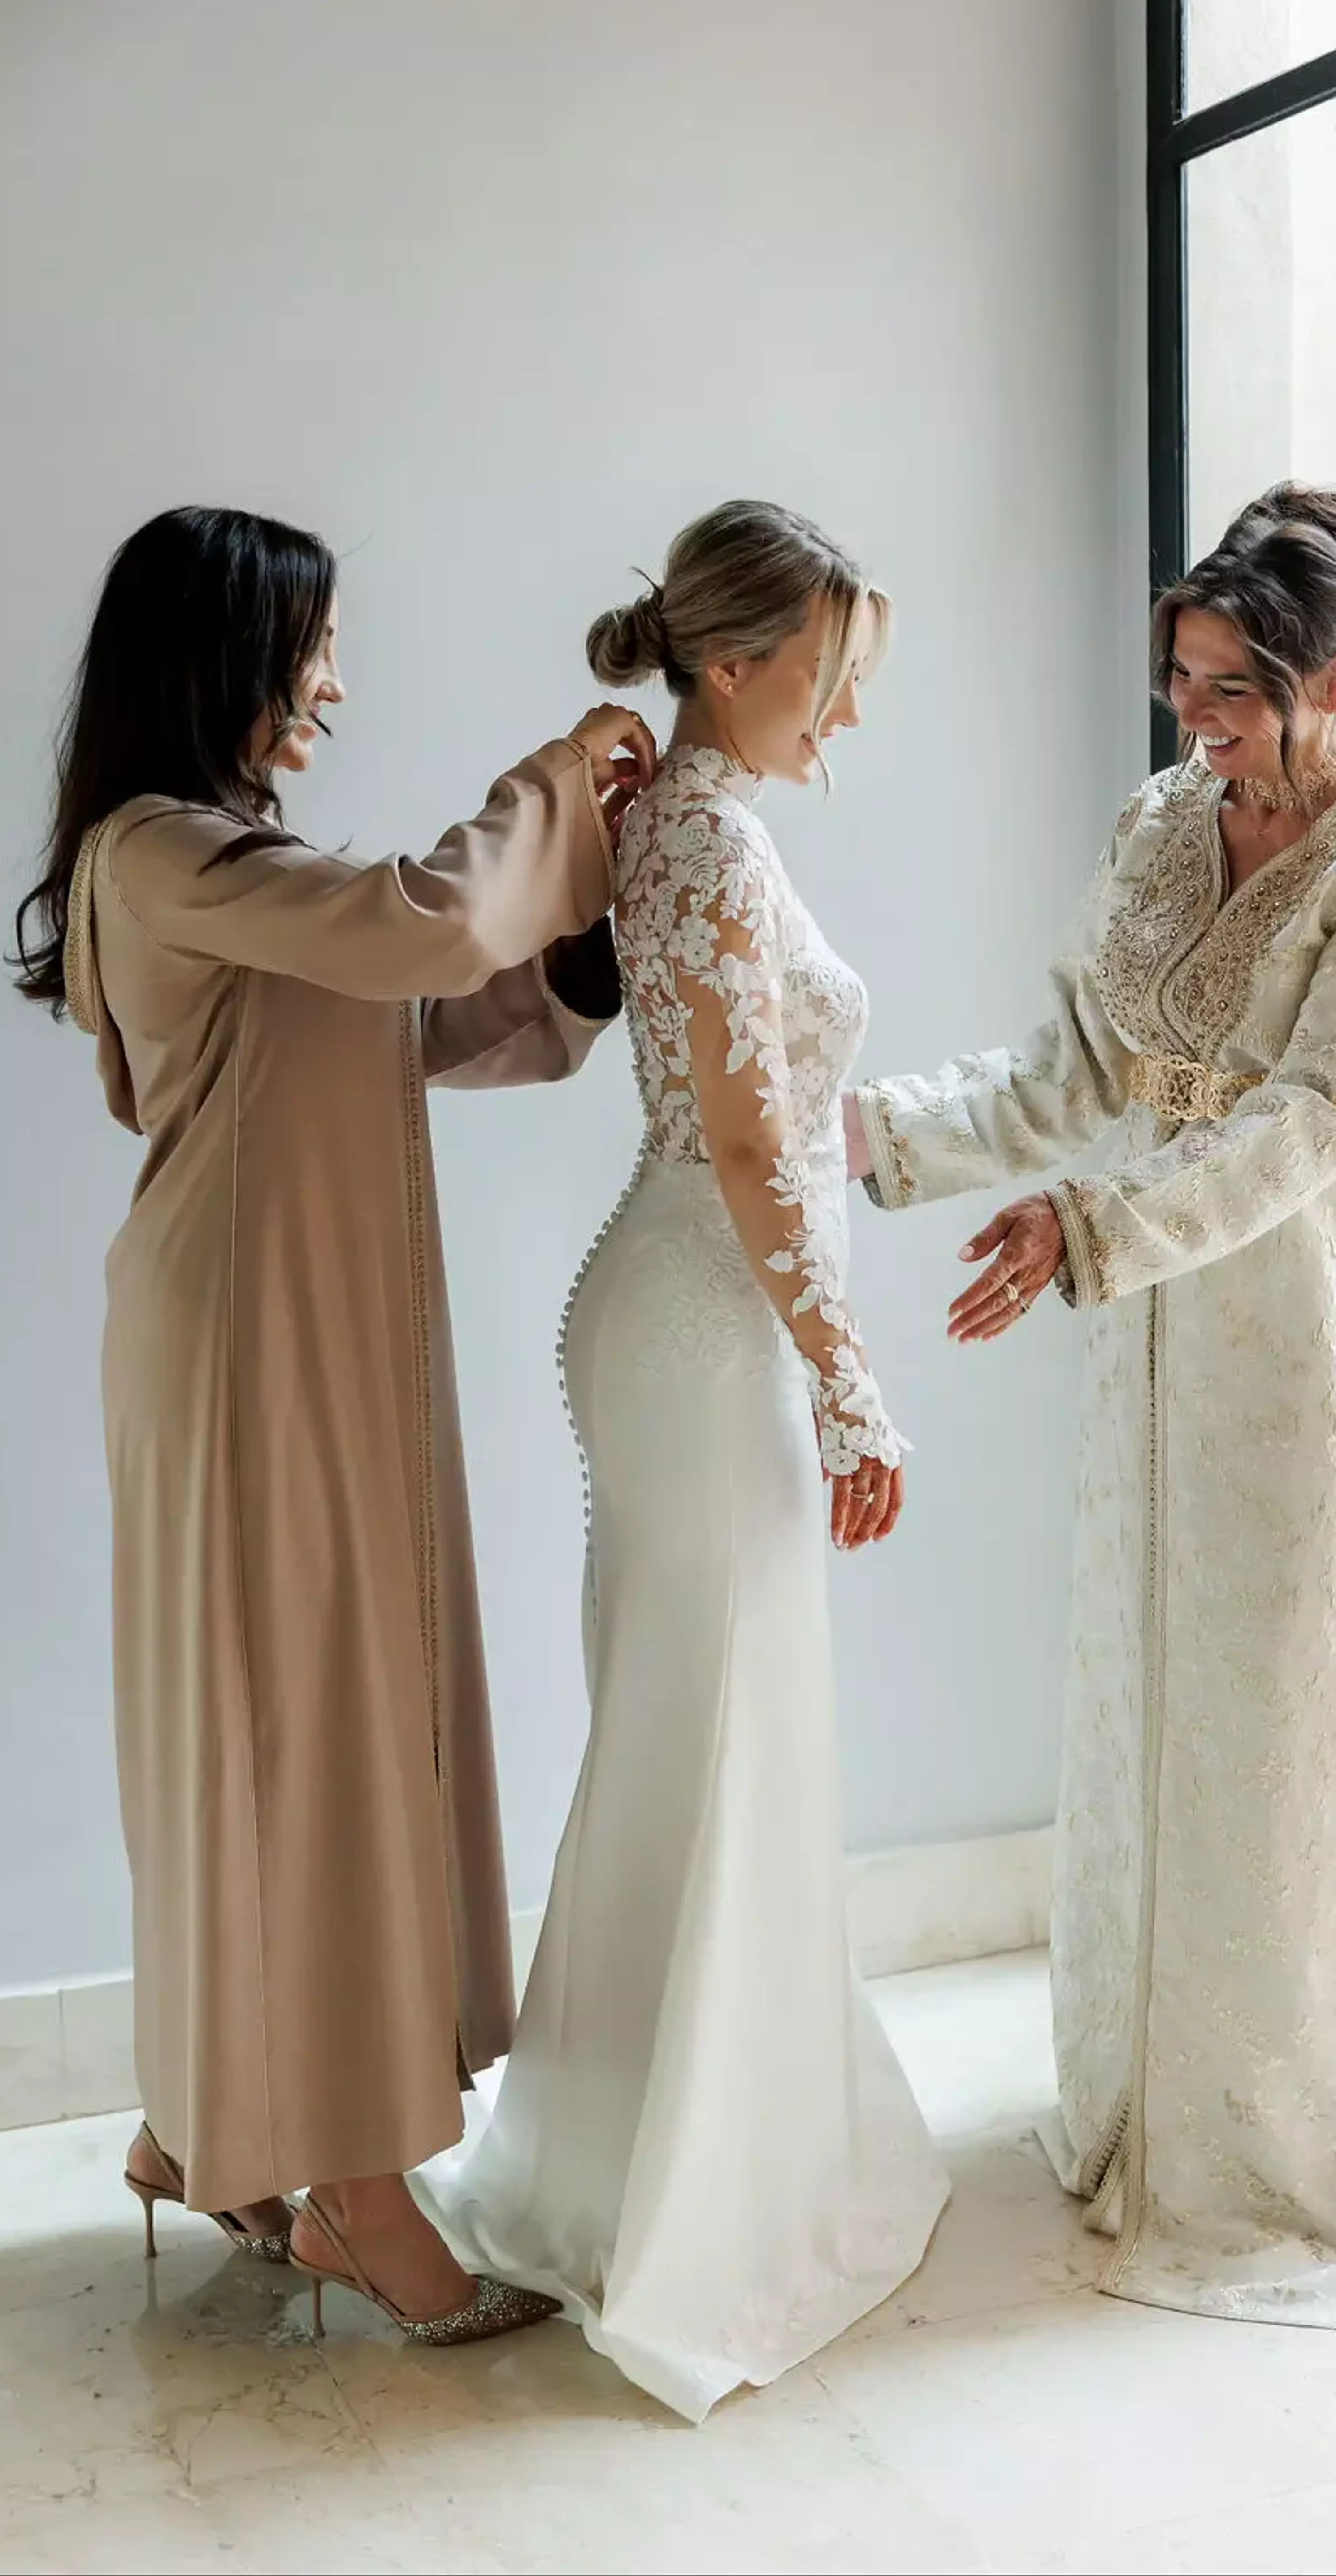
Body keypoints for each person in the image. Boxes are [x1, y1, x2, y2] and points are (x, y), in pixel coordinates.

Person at [846, 483, 1336, 2333]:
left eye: (1231, 687)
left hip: (1307, 1332)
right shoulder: (1167, 822)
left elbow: (1315, 1125)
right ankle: (1165, 2096)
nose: (1196, 716)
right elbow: (1079, 1061)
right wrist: (875, 1141)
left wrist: (1102, 1224)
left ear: (1331, 678)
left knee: (1295, 1703)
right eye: (1179, 677)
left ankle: (1305, 2113)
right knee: (1164, 1690)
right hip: (1153, 1338)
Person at [13, 504, 655, 2344]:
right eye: (314, 649)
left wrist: (588, 953)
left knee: (270, 1721)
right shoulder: (159, 855)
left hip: (291, 1331)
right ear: (226, 657)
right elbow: (425, 925)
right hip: (247, 1346)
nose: (336, 685)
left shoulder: (232, 868)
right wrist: (550, 781)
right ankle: (359, 2191)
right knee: (296, 1730)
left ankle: (207, 2130)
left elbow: (424, 1013)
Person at [432, 501, 948, 2419]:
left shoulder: (668, 826)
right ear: (733, 667)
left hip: (670, 1311)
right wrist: (852, 1380)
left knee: (684, 1732)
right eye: (829, 677)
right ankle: (697, 2209)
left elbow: (771, 1124)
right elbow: (748, 1141)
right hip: (709, 1321)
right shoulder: (711, 839)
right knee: (713, 1736)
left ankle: (635, 2159)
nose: (846, 715)